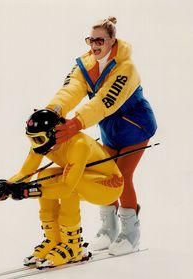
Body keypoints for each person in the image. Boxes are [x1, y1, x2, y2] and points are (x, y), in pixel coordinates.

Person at [46, 16, 157, 255]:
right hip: (110, 130)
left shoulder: (126, 68)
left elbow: (105, 101)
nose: (95, 45)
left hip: (136, 127)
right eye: (91, 40)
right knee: (103, 175)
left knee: (121, 177)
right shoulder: (86, 64)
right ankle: (108, 229)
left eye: (100, 40)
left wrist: (77, 123)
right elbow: (72, 88)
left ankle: (130, 233)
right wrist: (53, 110)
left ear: (111, 41)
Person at [0, 108, 124, 267]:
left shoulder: (79, 145)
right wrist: (7, 186)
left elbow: (66, 187)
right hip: (82, 178)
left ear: (53, 134)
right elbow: (26, 172)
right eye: (31, 139)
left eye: (38, 139)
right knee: (44, 177)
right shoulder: (44, 144)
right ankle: (54, 239)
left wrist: (27, 192)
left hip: (109, 186)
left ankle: (73, 246)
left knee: (69, 186)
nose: (34, 145)